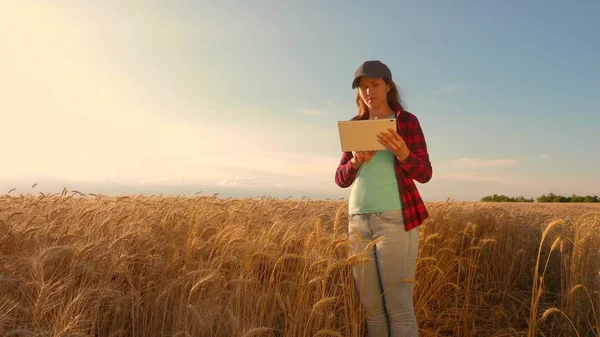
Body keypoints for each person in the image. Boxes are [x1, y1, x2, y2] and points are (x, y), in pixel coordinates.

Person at [334, 60, 432, 337]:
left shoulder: (406, 122)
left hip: (395, 219)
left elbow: (425, 173)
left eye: (374, 84)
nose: (369, 91)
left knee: (399, 308)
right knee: (372, 309)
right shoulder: (355, 126)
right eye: (363, 87)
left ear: (388, 86)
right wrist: (354, 163)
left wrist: (403, 153)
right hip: (357, 222)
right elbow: (340, 179)